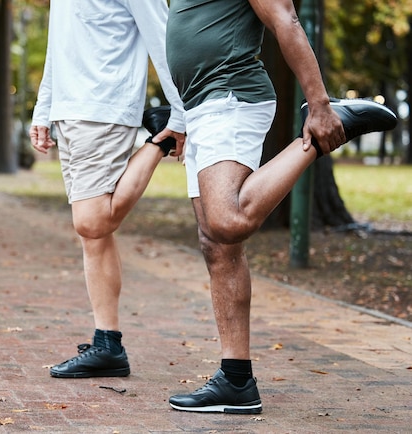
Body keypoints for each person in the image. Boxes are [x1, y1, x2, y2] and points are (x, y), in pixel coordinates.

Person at [165, 0, 397, 414]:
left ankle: (324, 130)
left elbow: (284, 16)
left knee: (228, 222)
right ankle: (236, 381)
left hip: (230, 95)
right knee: (216, 245)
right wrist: (180, 117)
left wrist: (320, 104)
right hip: (201, 104)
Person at [30, 1, 186, 378]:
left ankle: (158, 141)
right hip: (71, 111)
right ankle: (107, 345)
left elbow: (164, 39)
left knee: (91, 222)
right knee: (94, 236)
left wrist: (180, 113)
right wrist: (43, 108)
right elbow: (59, 45)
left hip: (102, 107)